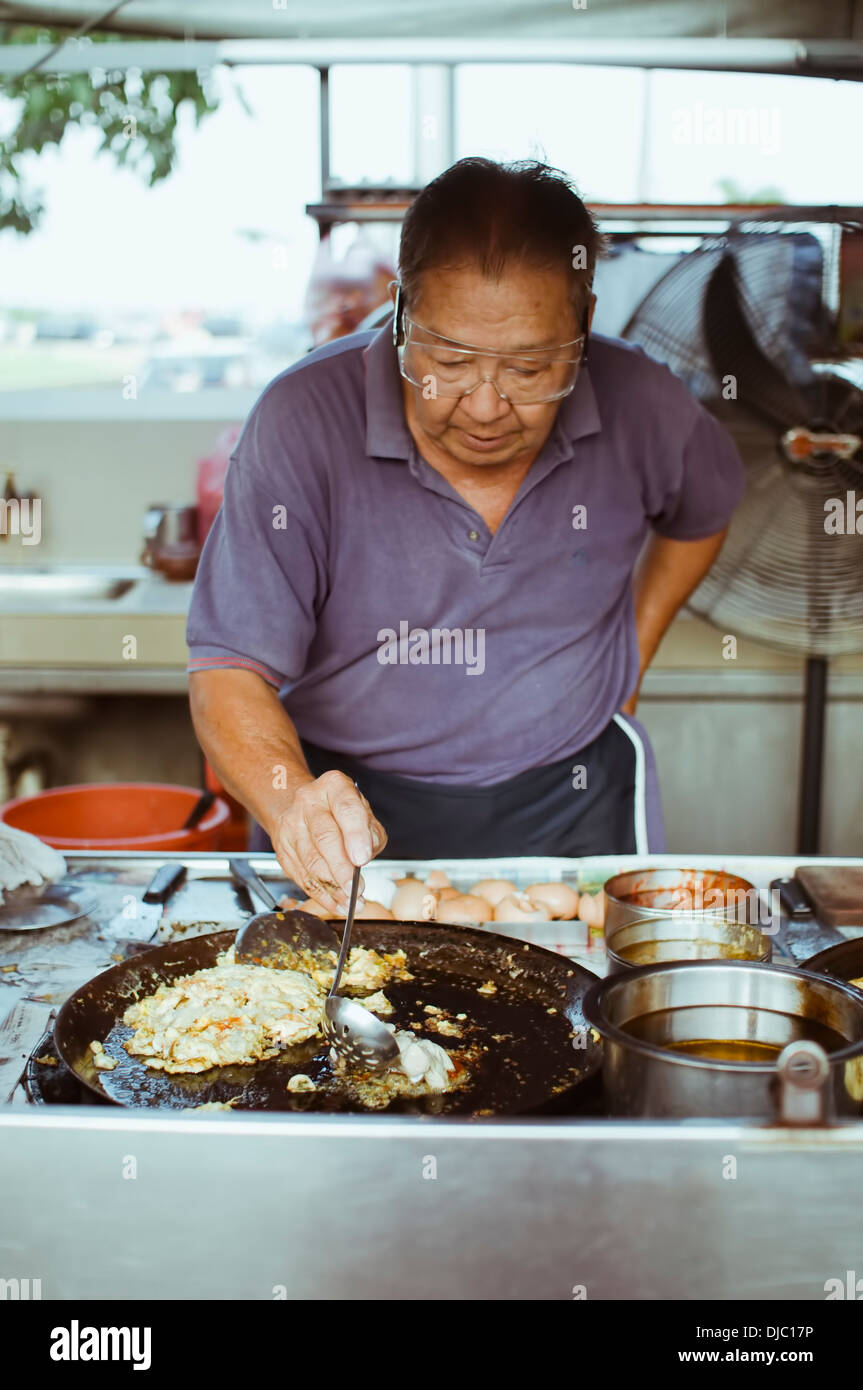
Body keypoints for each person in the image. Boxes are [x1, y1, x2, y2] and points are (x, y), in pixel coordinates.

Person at [186, 157, 744, 915]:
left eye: (529, 368)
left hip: (571, 799)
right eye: (447, 361)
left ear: (581, 323)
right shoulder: (302, 419)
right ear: (400, 312)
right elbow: (227, 672)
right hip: (348, 802)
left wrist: (629, 663)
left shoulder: (643, 402)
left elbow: (702, 510)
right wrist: (291, 802)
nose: (484, 407)